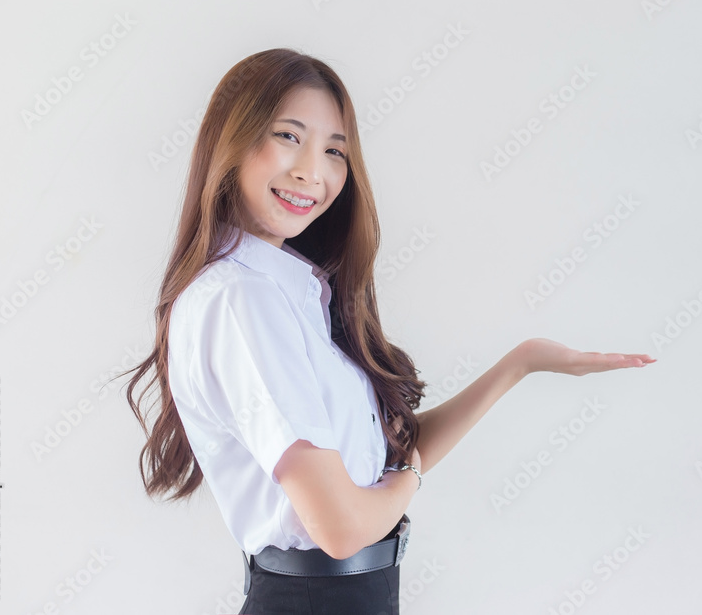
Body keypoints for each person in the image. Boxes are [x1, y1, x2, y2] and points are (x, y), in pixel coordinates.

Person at [120, 48, 656, 615]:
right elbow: (342, 528)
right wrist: (410, 480)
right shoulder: (242, 298)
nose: (313, 171)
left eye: (335, 150)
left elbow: (392, 460)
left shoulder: (288, 294)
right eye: (287, 136)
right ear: (231, 141)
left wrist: (519, 363)